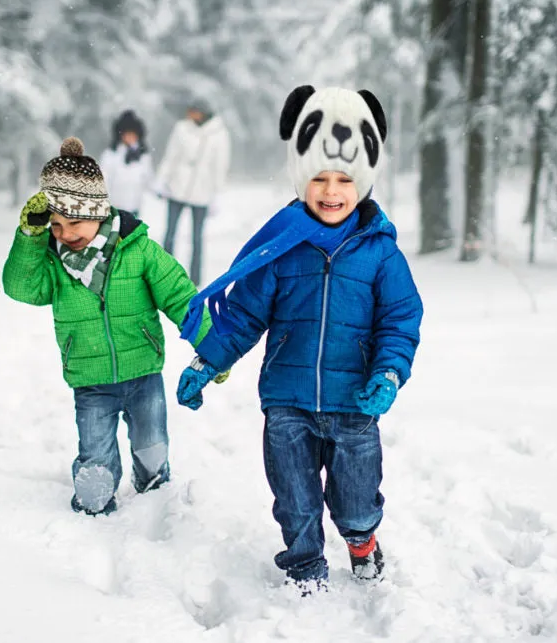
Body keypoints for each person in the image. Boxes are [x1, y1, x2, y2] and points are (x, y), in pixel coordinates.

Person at [174, 86, 423, 590]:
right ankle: (306, 564)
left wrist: (389, 373)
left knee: (355, 499)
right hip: (287, 401)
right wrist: (207, 362)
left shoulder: (380, 254)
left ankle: (361, 541)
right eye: (319, 179)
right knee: (294, 497)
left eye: (344, 180)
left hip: (355, 405)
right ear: (300, 178)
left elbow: (400, 322)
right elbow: (243, 314)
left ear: (365, 182)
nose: (331, 191)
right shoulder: (283, 248)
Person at [2, 136, 212, 516]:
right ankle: (94, 505)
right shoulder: (52, 263)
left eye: (74, 222)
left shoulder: (139, 250)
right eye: (55, 225)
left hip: (143, 373)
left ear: (97, 212)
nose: (64, 234)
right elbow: (20, 287)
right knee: (95, 463)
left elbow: (182, 297)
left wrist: (215, 347)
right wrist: (31, 237)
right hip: (90, 379)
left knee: (152, 447)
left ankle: (154, 498)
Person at [154, 98, 231, 285]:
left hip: (202, 191)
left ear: (203, 112)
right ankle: (164, 273)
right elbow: (171, 155)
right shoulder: (181, 128)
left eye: (194, 111)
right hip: (177, 186)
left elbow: (221, 165)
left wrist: (217, 195)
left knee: (197, 237)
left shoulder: (219, 134)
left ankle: (195, 279)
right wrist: (162, 179)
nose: (190, 115)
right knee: (170, 232)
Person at [99, 110, 156, 218]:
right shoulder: (111, 154)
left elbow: (149, 178)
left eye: (133, 134)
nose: (130, 137)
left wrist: (158, 190)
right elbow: (104, 178)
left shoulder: (143, 156)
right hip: (114, 206)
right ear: (121, 135)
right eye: (127, 134)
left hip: (134, 205)